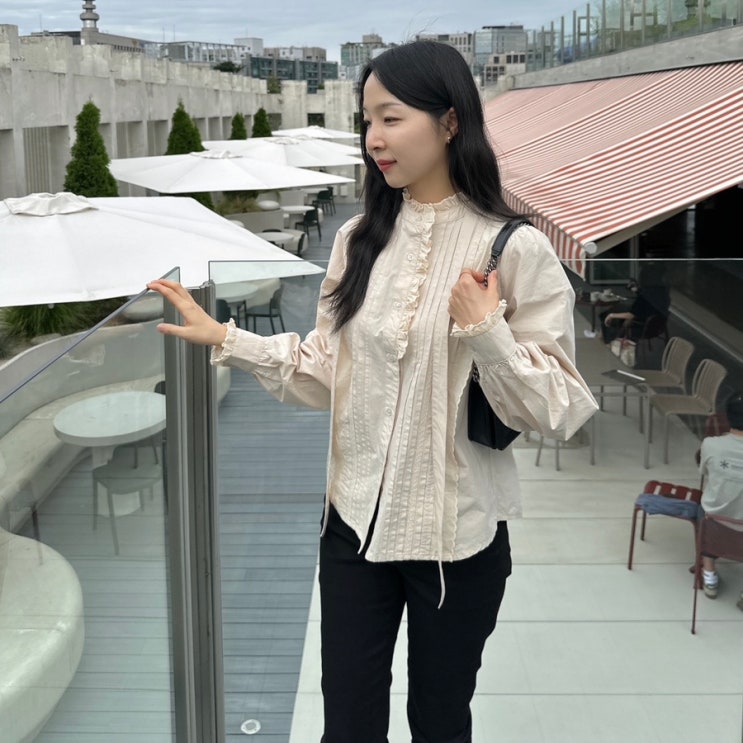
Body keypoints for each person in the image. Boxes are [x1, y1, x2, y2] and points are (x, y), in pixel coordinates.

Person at [148, 40, 597, 743]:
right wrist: (226, 338)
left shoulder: (514, 250)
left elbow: (558, 409)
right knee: (348, 722)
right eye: (366, 121)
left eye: (391, 118)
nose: (373, 139)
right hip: (352, 528)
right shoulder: (359, 238)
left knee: (439, 722)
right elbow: (327, 371)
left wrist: (487, 333)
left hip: (455, 542)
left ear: (450, 122)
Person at [698, 392, 743, 609]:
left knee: (704, 510)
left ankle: (709, 576)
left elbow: (705, 472)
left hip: (715, 524)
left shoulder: (711, 444)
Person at [600, 262, 670, 344]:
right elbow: (650, 301)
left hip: (641, 327)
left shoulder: (643, 298)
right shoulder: (662, 291)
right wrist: (638, 290)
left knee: (608, 315)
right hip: (657, 326)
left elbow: (631, 315)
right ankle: (605, 336)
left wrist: (611, 315)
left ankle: (607, 340)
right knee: (620, 308)